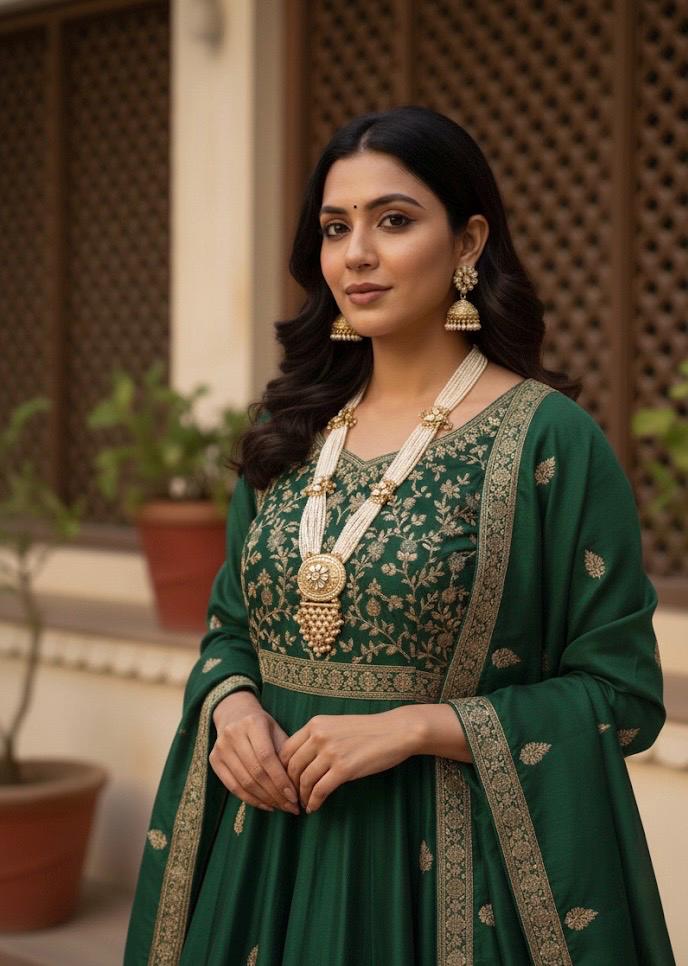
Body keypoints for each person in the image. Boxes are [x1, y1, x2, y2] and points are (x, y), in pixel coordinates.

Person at [124, 105, 675, 965]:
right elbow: (231, 631)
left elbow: (623, 696)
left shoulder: (548, 441)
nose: (357, 254)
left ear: (468, 243)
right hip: (266, 857)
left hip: (449, 882)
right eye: (335, 228)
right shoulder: (285, 432)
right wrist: (229, 706)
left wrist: (417, 727)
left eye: (393, 221)